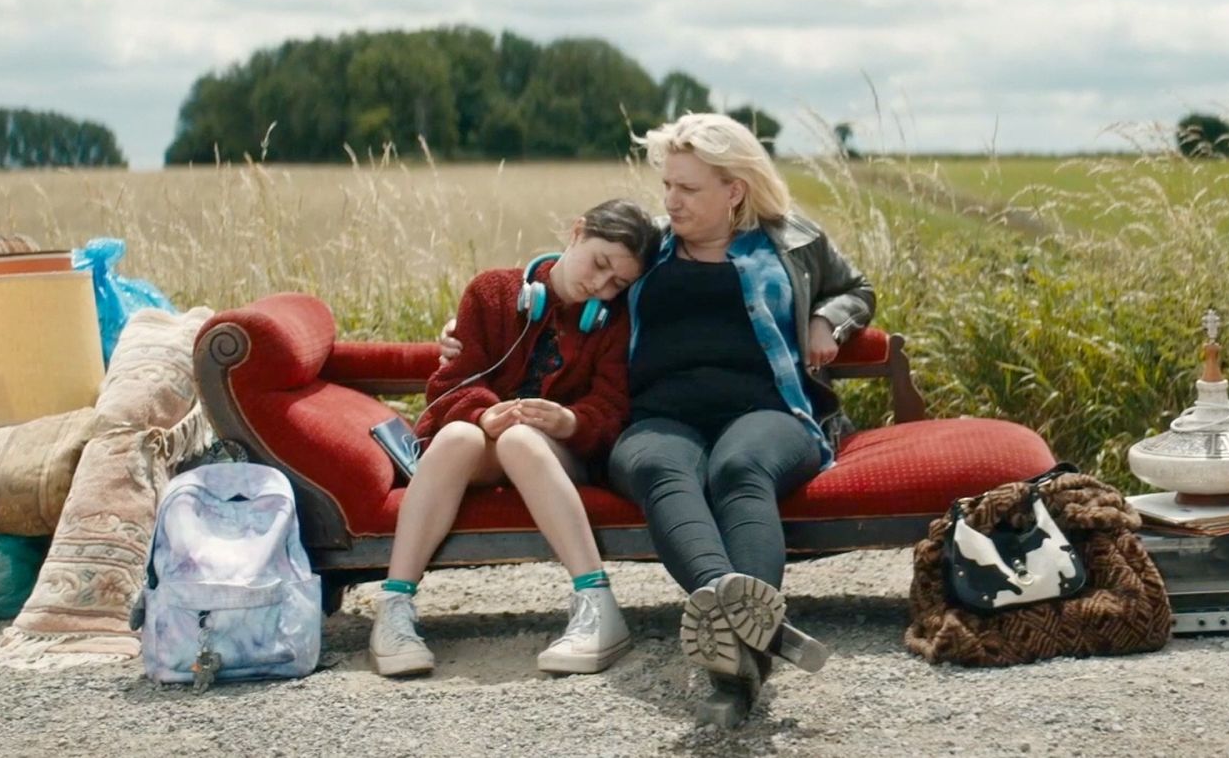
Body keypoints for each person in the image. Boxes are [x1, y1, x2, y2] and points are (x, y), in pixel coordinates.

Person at [438, 114, 875, 704]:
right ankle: (746, 629)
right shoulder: (650, 250)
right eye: (668, 184)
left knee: (739, 469)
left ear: (734, 191)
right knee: (657, 468)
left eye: (687, 188)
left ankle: (736, 641)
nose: (670, 200)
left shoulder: (793, 240)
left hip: (768, 411)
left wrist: (828, 319)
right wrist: (468, 328)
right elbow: (564, 281)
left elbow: (856, 289)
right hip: (657, 419)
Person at [370, 198, 660, 678]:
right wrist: (483, 415)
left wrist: (569, 422)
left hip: (556, 452)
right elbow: (451, 384)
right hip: (481, 445)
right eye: (599, 263)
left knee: (520, 440)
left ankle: (597, 602)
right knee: (457, 437)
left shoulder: (614, 320)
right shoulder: (491, 292)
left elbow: (612, 407)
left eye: (618, 283)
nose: (601, 286)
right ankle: (394, 610)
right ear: (577, 231)